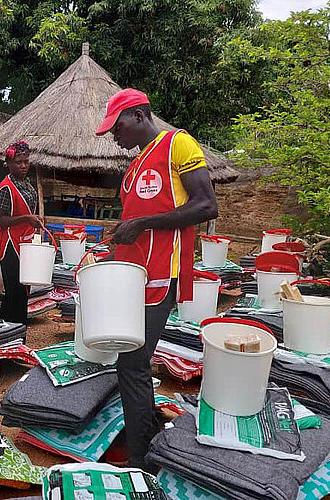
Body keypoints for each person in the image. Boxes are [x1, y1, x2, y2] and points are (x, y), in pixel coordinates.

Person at [95, 89, 218, 471]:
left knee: (131, 363)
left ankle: (141, 459)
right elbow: (137, 221)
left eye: (116, 128)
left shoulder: (177, 145)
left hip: (160, 275)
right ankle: (146, 441)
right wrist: (117, 242)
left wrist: (141, 224)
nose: (114, 137)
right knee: (133, 361)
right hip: (133, 277)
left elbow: (206, 205)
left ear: (138, 115)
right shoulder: (135, 166)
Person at [0, 141, 41, 325]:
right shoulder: (7, 189)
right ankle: (12, 332)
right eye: (19, 162)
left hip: (25, 243)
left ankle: (12, 332)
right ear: (9, 163)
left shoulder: (26, 184)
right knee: (15, 291)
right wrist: (25, 218)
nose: (23, 166)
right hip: (10, 245)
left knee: (23, 291)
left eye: (26, 161)